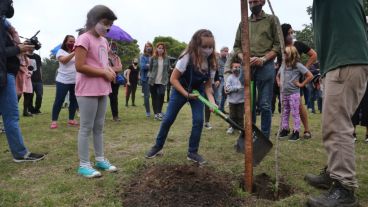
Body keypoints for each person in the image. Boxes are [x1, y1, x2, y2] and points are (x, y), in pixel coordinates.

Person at [304, 1, 368, 206]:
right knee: (333, 121)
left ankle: (344, 188)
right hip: (343, 60)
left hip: (345, 61)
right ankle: (334, 173)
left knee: (336, 125)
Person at [145, 29, 218, 165]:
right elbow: (173, 79)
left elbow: (208, 87)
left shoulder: (212, 63)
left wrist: (212, 102)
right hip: (180, 89)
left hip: (197, 92)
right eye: (204, 47)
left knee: (198, 120)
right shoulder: (186, 57)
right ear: (196, 45)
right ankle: (158, 146)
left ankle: (192, 152)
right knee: (168, 119)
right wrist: (185, 94)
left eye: (210, 47)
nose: (208, 50)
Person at [74, 5, 118, 178]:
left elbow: (102, 63)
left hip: (102, 88)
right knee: (86, 127)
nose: (108, 28)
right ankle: (84, 164)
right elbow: (80, 66)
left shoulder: (104, 41)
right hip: (87, 90)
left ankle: (100, 159)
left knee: (99, 127)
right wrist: (103, 72)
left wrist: (110, 70)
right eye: (105, 23)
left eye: (110, 25)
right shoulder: (83, 39)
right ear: (93, 21)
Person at [0, 1, 45, 162]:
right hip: (5, 75)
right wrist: (19, 49)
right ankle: (20, 154)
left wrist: (21, 46)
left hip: (7, 74)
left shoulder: (6, 28)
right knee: (11, 116)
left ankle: (20, 153)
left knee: (10, 116)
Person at [233, 0, 280, 139]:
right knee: (248, 104)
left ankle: (264, 137)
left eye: (255, 1)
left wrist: (263, 59)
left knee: (265, 104)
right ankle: (249, 134)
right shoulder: (243, 23)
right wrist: (244, 58)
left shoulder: (272, 19)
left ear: (263, 2)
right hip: (247, 66)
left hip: (266, 66)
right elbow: (236, 47)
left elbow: (278, 45)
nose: (253, 4)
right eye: (250, 2)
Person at [280, 23, 317, 139]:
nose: (291, 35)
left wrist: (304, 68)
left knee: (299, 106)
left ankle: (306, 130)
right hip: (284, 81)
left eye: (292, 32)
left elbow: (314, 55)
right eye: (288, 33)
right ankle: (285, 129)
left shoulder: (298, 45)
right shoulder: (280, 47)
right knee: (285, 108)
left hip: (296, 82)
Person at [276, 46, 313, 141]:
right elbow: (278, 76)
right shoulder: (283, 65)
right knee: (284, 112)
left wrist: (301, 84)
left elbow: (310, 76)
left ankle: (296, 131)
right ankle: (285, 129)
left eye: (286, 53)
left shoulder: (297, 65)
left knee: (295, 113)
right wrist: (279, 82)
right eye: (283, 53)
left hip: (294, 94)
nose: (283, 55)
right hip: (283, 93)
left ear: (292, 55)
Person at [50, 35, 79, 129]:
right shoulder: (60, 51)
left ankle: (71, 119)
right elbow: (64, 61)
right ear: (65, 42)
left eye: (74, 41)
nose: (72, 43)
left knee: (73, 100)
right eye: (70, 41)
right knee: (59, 100)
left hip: (74, 80)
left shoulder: (76, 52)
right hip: (62, 80)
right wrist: (74, 52)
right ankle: (54, 121)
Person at [148, 42, 170, 121]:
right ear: (156, 49)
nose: (160, 49)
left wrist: (166, 76)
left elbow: (168, 69)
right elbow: (150, 69)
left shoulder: (167, 58)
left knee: (161, 96)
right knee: (154, 97)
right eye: (159, 48)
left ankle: (160, 112)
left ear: (164, 50)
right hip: (153, 81)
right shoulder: (153, 58)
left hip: (162, 81)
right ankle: (156, 114)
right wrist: (151, 76)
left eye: (162, 48)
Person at [224, 61, 244, 135]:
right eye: (235, 67)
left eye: (239, 67)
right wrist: (237, 88)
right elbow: (228, 88)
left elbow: (243, 87)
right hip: (232, 101)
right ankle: (231, 127)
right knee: (232, 115)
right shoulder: (229, 78)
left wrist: (237, 88)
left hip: (241, 101)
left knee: (240, 115)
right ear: (231, 69)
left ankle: (240, 128)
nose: (237, 69)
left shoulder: (242, 77)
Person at [107, 42, 123, 122]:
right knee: (102, 98)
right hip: (105, 80)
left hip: (115, 80)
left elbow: (120, 68)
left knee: (114, 98)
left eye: (115, 47)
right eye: (112, 46)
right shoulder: (104, 56)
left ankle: (115, 116)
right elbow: (104, 68)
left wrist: (110, 68)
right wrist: (114, 68)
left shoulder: (117, 57)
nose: (113, 48)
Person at [27, 48, 43, 115]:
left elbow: (40, 68)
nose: (33, 47)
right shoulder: (25, 56)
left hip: (38, 80)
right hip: (29, 79)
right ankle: (31, 110)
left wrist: (41, 77)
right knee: (30, 96)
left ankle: (37, 109)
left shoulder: (37, 56)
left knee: (39, 95)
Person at [139, 42, 153, 117]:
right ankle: (148, 112)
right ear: (145, 48)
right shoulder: (142, 56)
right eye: (146, 46)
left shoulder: (154, 56)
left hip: (154, 78)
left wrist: (148, 65)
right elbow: (142, 67)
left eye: (149, 46)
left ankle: (157, 111)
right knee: (147, 96)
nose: (148, 48)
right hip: (146, 79)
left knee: (156, 96)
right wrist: (150, 65)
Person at [218, 46, 229, 113]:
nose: (226, 52)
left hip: (226, 78)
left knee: (224, 94)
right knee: (219, 94)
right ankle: (218, 109)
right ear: (221, 51)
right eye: (225, 51)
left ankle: (221, 108)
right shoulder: (217, 59)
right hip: (219, 78)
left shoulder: (227, 60)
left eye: (227, 51)